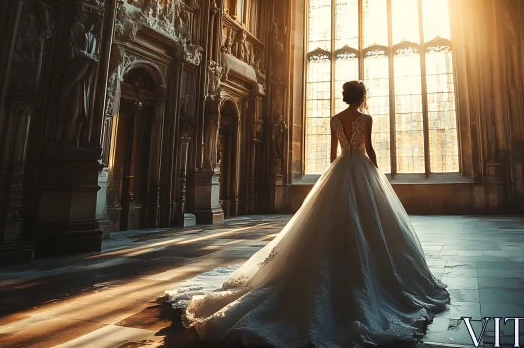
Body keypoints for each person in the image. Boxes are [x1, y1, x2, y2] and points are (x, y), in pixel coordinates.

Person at [167, 80, 449, 347]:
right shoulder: (366, 118)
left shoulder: (335, 119)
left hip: (340, 169)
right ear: (362, 97)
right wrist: (376, 173)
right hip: (361, 168)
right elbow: (370, 149)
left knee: (327, 221)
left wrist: (333, 174)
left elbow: (333, 153)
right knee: (370, 221)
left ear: (346, 96)